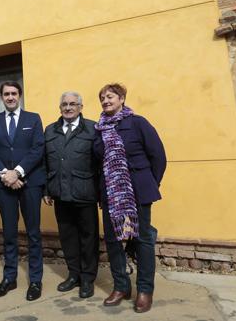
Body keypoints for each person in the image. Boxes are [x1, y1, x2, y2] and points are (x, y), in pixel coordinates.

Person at [93, 83, 166, 313]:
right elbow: (96, 165)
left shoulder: (137, 122)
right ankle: (121, 287)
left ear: (122, 98)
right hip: (111, 194)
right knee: (114, 241)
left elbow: (158, 156)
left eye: (110, 96)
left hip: (138, 190)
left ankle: (145, 290)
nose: (106, 101)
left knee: (143, 240)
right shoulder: (99, 129)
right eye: (102, 98)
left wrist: (149, 183)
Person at [0, 81, 45, 301]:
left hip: (31, 183)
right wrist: (5, 174)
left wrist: (17, 172)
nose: (10, 97)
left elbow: (39, 149)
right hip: (3, 185)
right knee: (9, 232)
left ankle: (36, 280)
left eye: (14, 93)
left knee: (33, 233)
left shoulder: (33, 118)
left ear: (19, 95)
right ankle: (9, 277)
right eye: (6, 94)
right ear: (1, 97)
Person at [43, 91, 99, 298]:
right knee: (67, 238)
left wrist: (102, 194)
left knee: (88, 238)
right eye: (64, 104)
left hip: (85, 193)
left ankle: (87, 278)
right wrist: (46, 190)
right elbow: (44, 162)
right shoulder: (50, 130)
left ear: (80, 107)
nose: (68, 107)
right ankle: (73, 274)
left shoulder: (93, 129)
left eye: (73, 104)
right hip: (60, 193)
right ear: (60, 108)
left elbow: (100, 163)